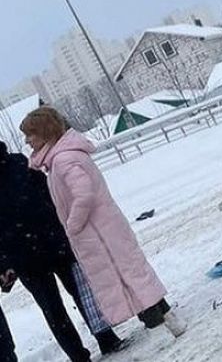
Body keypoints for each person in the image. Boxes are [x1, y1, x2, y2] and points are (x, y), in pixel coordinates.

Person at [20, 108, 185, 340]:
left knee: (127, 279)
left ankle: (160, 328)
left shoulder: (63, 159)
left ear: (45, 133)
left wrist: (73, 226)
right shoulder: (60, 158)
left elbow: (84, 195)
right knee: (133, 276)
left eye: (31, 134)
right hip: (104, 231)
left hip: (100, 236)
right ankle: (167, 320)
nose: (27, 140)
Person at [0, 141, 127, 361]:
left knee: (62, 304)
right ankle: (100, 340)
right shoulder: (19, 163)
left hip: (34, 250)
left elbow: (49, 194)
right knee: (74, 297)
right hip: (46, 244)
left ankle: (88, 348)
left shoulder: (20, 163)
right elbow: (47, 195)